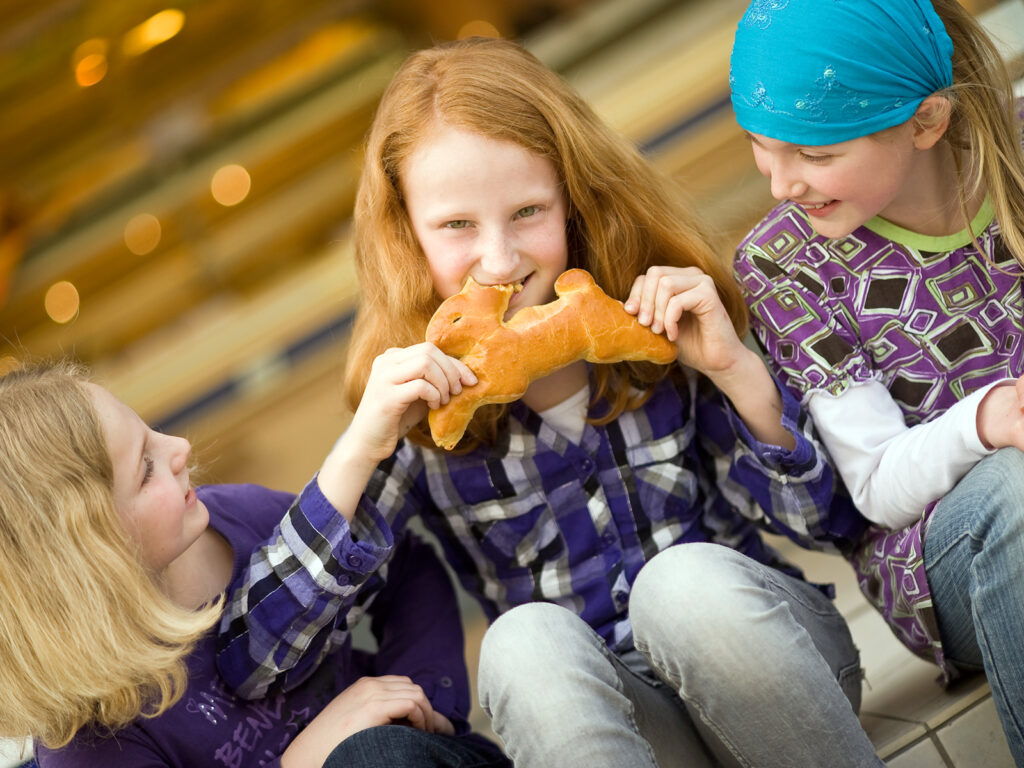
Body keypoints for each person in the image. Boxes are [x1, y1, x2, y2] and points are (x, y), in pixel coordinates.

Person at [216, 36, 883, 768]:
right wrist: (359, 450)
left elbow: (833, 524)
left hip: (777, 673)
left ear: (575, 198)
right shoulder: (416, 420)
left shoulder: (658, 324)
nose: (500, 260)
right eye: (457, 226)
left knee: (680, 583)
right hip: (627, 733)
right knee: (520, 641)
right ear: (406, 233)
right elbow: (255, 659)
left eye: (528, 211)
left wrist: (735, 371)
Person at [730, 0, 1024, 762]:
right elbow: (876, 483)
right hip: (951, 549)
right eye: (762, 148)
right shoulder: (787, 263)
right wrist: (986, 420)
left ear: (926, 122)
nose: (780, 184)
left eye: (815, 155)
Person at [0, 361, 510, 768]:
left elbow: (406, 568)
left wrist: (419, 702)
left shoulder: (237, 515)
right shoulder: (87, 746)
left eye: (151, 432)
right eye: (146, 468)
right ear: (94, 552)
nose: (179, 447)